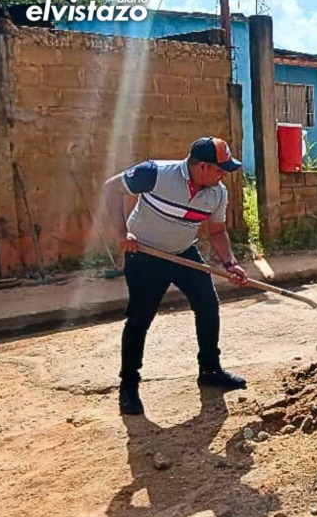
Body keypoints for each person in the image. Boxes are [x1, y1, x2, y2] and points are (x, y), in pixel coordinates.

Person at [103, 136, 250, 416]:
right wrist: (123, 234)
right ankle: (129, 386)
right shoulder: (155, 173)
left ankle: (210, 370)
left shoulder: (216, 193)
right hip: (145, 254)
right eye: (220, 169)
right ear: (202, 166)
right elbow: (112, 189)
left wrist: (230, 264)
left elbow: (216, 232)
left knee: (208, 306)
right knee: (139, 319)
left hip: (183, 252)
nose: (224, 176)